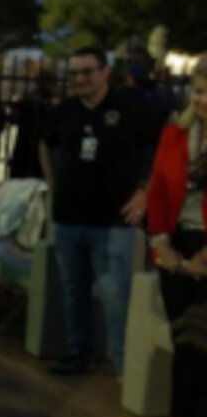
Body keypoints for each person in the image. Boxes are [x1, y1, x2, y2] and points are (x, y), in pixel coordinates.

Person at [39, 47, 160, 376]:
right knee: (73, 291)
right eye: (76, 72)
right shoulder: (64, 111)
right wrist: (53, 186)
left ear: (106, 72)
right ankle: (80, 353)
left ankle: (124, 366)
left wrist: (144, 192)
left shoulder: (131, 107)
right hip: (68, 219)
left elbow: (158, 146)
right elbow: (46, 145)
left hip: (112, 222)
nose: (81, 79)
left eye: (88, 71)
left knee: (115, 296)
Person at [135, 54, 207, 417]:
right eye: (199, 91)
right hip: (176, 241)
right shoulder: (176, 135)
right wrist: (161, 241)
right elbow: (160, 191)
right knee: (184, 340)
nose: (203, 101)